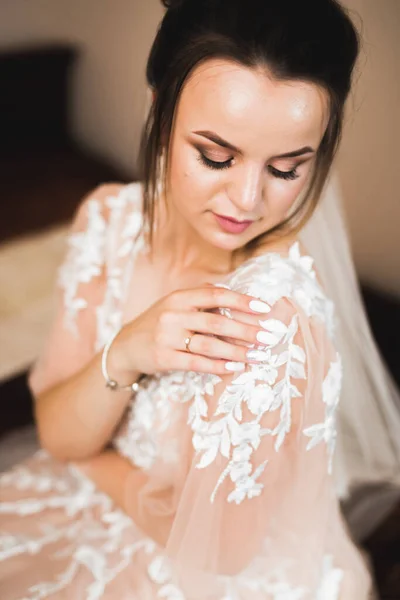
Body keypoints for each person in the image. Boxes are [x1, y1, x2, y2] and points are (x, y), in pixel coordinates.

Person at [0, 0, 381, 597]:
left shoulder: (274, 313)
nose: (247, 200)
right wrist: (126, 351)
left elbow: (220, 550)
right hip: (102, 505)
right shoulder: (108, 218)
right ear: (159, 108)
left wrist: (92, 461)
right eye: (216, 157)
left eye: (286, 169)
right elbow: (56, 430)